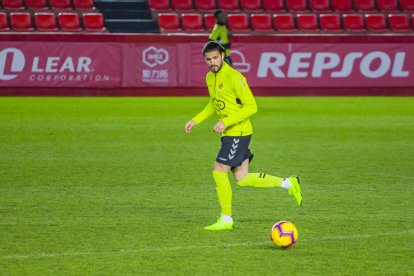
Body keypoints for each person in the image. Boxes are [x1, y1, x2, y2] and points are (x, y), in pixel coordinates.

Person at [184, 41, 303, 231]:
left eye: (215, 58)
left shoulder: (234, 77)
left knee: (219, 169)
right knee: (242, 177)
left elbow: (251, 106)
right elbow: (214, 103)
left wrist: (225, 121)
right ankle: (289, 183)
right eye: (208, 59)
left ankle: (226, 218)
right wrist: (196, 120)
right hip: (230, 133)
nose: (212, 62)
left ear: (223, 56)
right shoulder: (209, 77)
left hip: (238, 132)